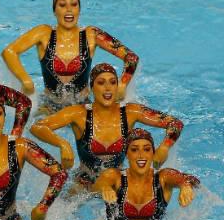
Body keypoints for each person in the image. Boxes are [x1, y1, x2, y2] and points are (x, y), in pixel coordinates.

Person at [30, 63, 183, 191]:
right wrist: (62, 144)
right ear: (91, 88)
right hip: (84, 184)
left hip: (117, 183)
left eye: (112, 82)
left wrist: (164, 147)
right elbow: (37, 127)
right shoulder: (78, 113)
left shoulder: (131, 112)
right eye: (101, 83)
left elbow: (174, 123)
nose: (108, 88)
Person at [2, 0, 139, 111]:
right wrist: (26, 80)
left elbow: (131, 57)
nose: (69, 9)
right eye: (62, 5)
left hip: (83, 106)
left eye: (74, 4)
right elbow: (9, 52)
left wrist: (123, 83)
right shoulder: (43, 33)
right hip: (49, 106)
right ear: (54, 10)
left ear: (79, 9)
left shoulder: (92, 34)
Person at [93, 128, 199, 220]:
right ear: (127, 154)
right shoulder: (115, 176)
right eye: (134, 149)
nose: (141, 155)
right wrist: (105, 188)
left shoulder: (163, 178)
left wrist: (185, 186)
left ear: (153, 153)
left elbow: (189, 179)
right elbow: (97, 185)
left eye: (147, 149)